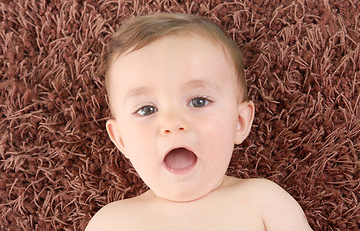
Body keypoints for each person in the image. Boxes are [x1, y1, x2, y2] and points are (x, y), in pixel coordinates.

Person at [86, 13, 312, 230]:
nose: (173, 123)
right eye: (147, 109)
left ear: (239, 121)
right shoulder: (112, 223)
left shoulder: (263, 202)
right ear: (121, 139)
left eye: (198, 101)